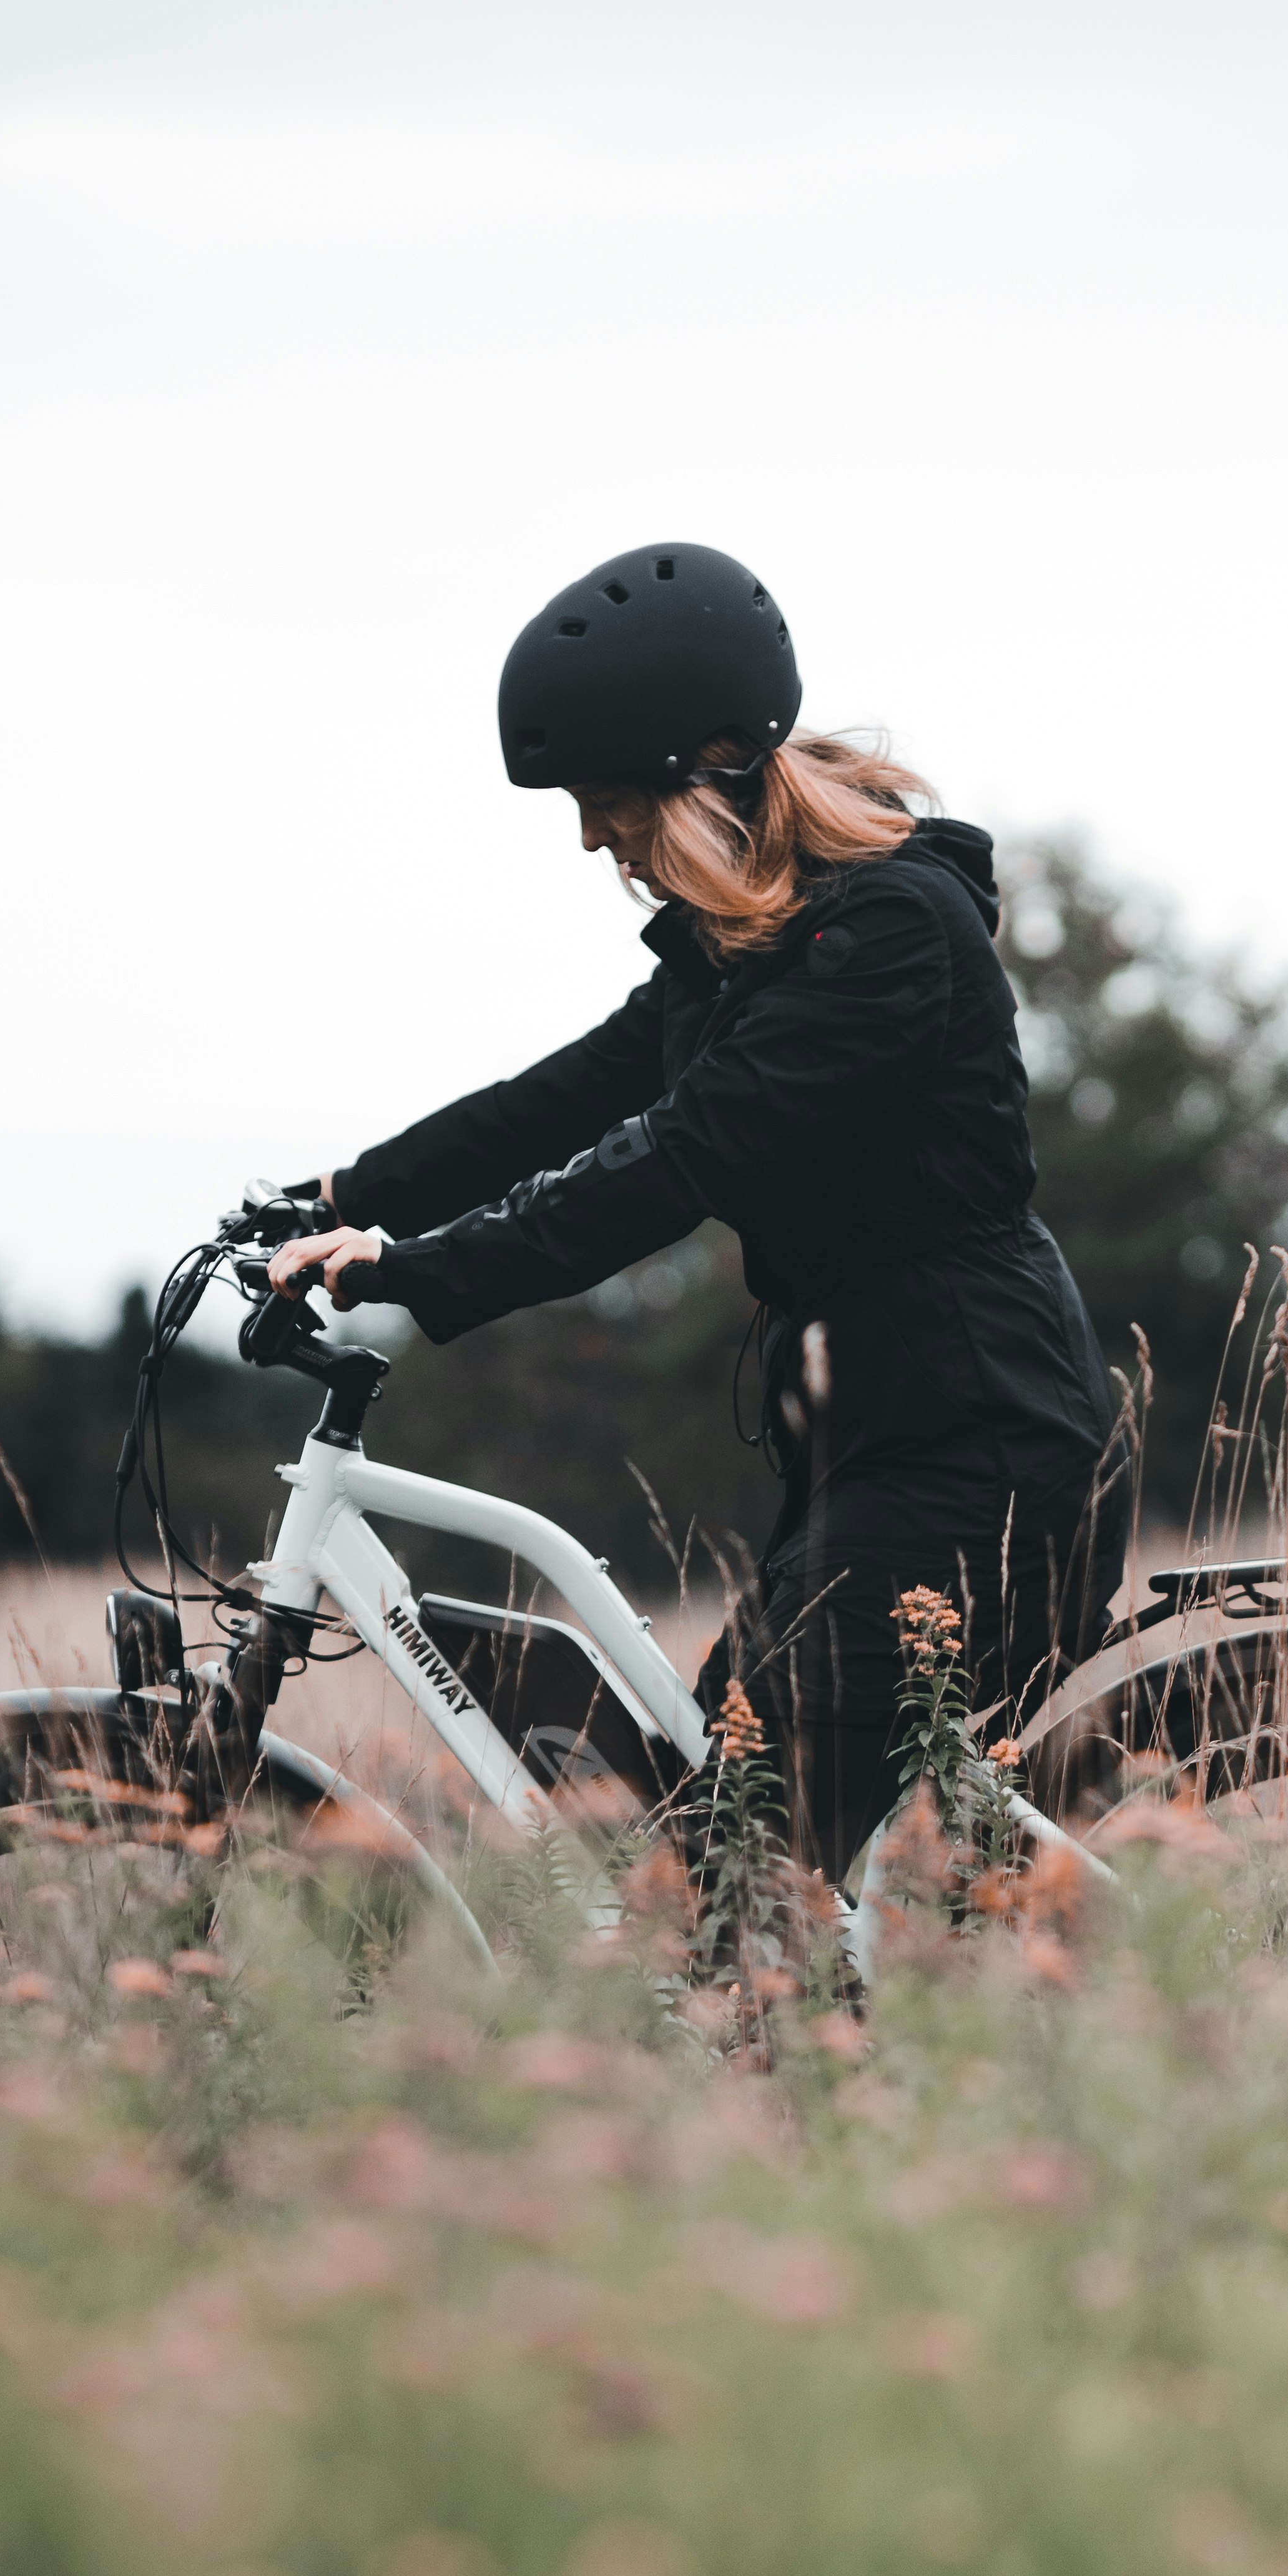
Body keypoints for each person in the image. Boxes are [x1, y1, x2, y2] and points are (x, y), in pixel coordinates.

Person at [267, 540, 1126, 1880]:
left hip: (976, 1451)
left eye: (607, 799)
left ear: (714, 769)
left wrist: (416, 1275)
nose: (592, 837)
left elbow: (676, 1160)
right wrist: (342, 1195)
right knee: (722, 1845)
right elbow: (561, 1102)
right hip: (878, 1447)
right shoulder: (759, 942)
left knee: (731, 1868)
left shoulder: (889, 935)